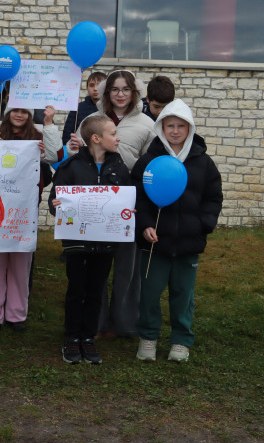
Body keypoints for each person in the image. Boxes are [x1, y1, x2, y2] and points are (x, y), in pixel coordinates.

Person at [132, 100, 222, 363]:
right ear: (161, 127)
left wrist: (203, 225)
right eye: (169, 125)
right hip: (155, 243)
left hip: (188, 243)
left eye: (181, 126)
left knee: (183, 294)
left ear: (189, 128)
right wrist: (145, 225)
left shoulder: (203, 163)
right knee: (149, 293)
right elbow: (138, 198)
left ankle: (181, 340)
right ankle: (148, 336)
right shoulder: (149, 160)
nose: (175, 131)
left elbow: (213, 197)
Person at [69, 70, 155, 339]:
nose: (120, 94)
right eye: (115, 89)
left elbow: (150, 166)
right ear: (106, 93)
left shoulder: (147, 124)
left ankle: (125, 323)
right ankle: (96, 322)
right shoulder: (92, 120)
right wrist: (74, 148)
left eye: (126, 89)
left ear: (134, 92)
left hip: (129, 202)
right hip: (95, 202)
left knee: (127, 267)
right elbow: (78, 156)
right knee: (96, 264)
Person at [50, 115, 131, 364]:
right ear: (96, 138)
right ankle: (71, 337)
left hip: (105, 244)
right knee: (76, 290)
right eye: (113, 133)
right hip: (76, 244)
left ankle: (88, 337)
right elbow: (55, 202)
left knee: (96, 290)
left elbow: (126, 200)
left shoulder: (119, 168)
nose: (118, 138)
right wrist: (57, 205)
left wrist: (128, 210)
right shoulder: (70, 167)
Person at [0, 105, 57, 332]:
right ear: (7, 113)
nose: (20, 115)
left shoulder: (38, 138)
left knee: (20, 263)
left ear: (30, 116)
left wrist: (43, 150)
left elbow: (54, 158)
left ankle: (16, 313)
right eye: (15, 111)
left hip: (24, 209)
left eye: (24, 112)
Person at [61, 71, 106, 147]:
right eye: (91, 85)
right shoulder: (78, 108)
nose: (95, 88)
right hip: (81, 150)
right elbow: (68, 134)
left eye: (99, 85)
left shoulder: (112, 107)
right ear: (87, 88)